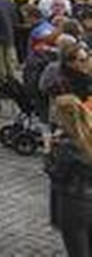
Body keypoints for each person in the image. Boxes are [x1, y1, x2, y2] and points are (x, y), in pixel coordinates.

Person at [48, 93, 92, 257]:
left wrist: (49, 153)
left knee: (78, 252)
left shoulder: (67, 146)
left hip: (74, 204)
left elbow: (57, 175)